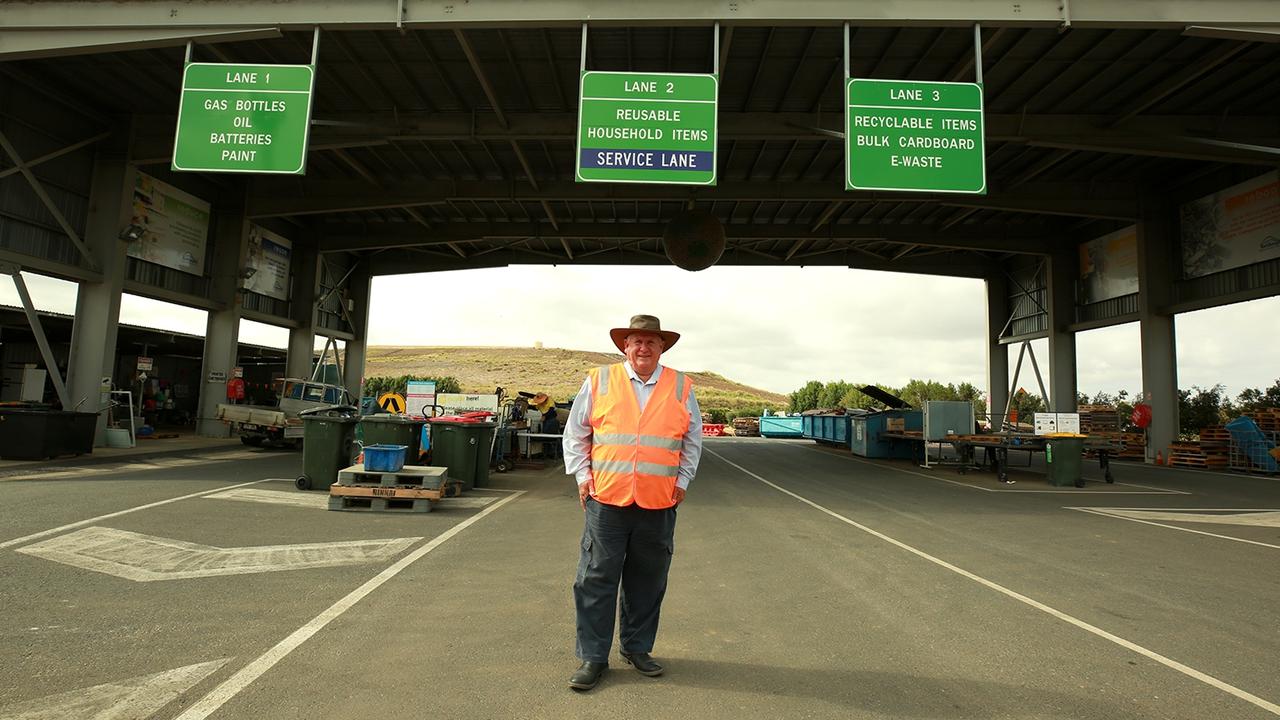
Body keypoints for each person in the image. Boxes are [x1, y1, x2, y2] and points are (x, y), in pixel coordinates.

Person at [561, 314, 703, 691]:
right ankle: (593, 657)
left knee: (648, 580)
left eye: (651, 342)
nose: (643, 347)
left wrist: (684, 479)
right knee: (595, 579)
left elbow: (692, 440)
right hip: (606, 498)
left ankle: (636, 648)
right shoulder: (599, 380)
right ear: (626, 346)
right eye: (636, 341)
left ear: (662, 348)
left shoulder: (681, 386)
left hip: (658, 503)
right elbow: (576, 432)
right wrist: (582, 476)